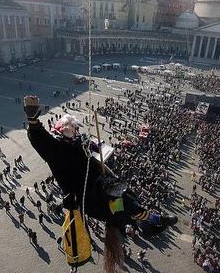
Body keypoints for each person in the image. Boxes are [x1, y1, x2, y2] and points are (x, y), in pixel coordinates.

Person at [23, 95, 177, 271]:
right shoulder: (57, 150)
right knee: (123, 205)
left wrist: (103, 162)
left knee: (127, 198)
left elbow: (94, 157)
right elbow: (40, 140)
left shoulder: (77, 144)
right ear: (64, 131)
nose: (76, 132)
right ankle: (154, 220)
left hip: (100, 188)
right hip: (89, 198)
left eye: (75, 129)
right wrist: (33, 120)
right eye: (72, 129)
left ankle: (150, 223)